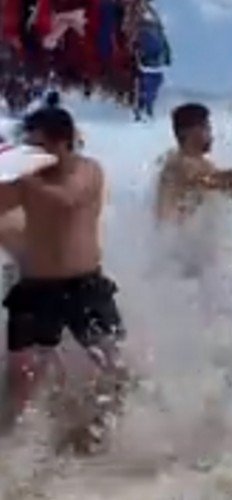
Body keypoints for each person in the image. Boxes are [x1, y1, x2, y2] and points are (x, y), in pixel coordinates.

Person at [0, 107, 127, 451]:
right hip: (36, 288)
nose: (34, 155)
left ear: (65, 143)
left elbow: (68, 201)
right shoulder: (28, 180)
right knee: (20, 377)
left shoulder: (88, 171)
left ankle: (97, 435)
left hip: (85, 285)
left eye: (40, 148)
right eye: (29, 147)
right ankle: (10, 449)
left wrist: (25, 178)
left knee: (114, 366)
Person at [155, 102, 232, 278]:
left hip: (188, 254)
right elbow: (219, 181)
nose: (212, 135)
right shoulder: (178, 163)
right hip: (174, 254)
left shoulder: (202, 164)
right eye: (206, 129)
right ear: (187, 133)